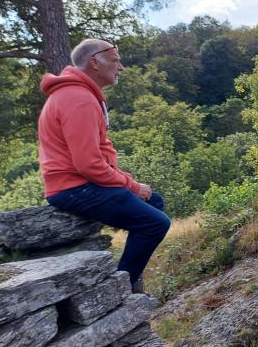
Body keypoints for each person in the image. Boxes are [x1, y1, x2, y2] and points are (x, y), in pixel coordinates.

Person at [38, 39, 171, 293]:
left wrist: (130, 184)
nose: (120, 67)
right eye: (115, 60)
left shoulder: (78, 94)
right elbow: (88, 164)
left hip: (78, 184)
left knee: (154, 201)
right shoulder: (79, 99)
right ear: (94, 62)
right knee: (155, 223)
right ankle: (123, 288)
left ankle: (128, 279)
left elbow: (97, 156)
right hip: (74, 187)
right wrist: (132, 186)